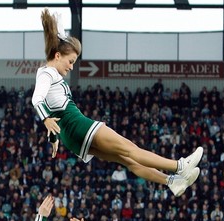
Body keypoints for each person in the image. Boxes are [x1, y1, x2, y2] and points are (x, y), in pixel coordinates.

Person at [32, 8, 202, 197]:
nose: (71, 66)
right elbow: (36, 99)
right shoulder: (46, 73)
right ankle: (180, 167)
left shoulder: (51, 73)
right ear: (57, 56)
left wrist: (54, 136)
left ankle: (172, 182)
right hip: (78, 125)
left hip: (71, 136)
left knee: (128, 160)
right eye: (70, 61)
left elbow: (51, 108)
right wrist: (46, 119)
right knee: (130, 149)